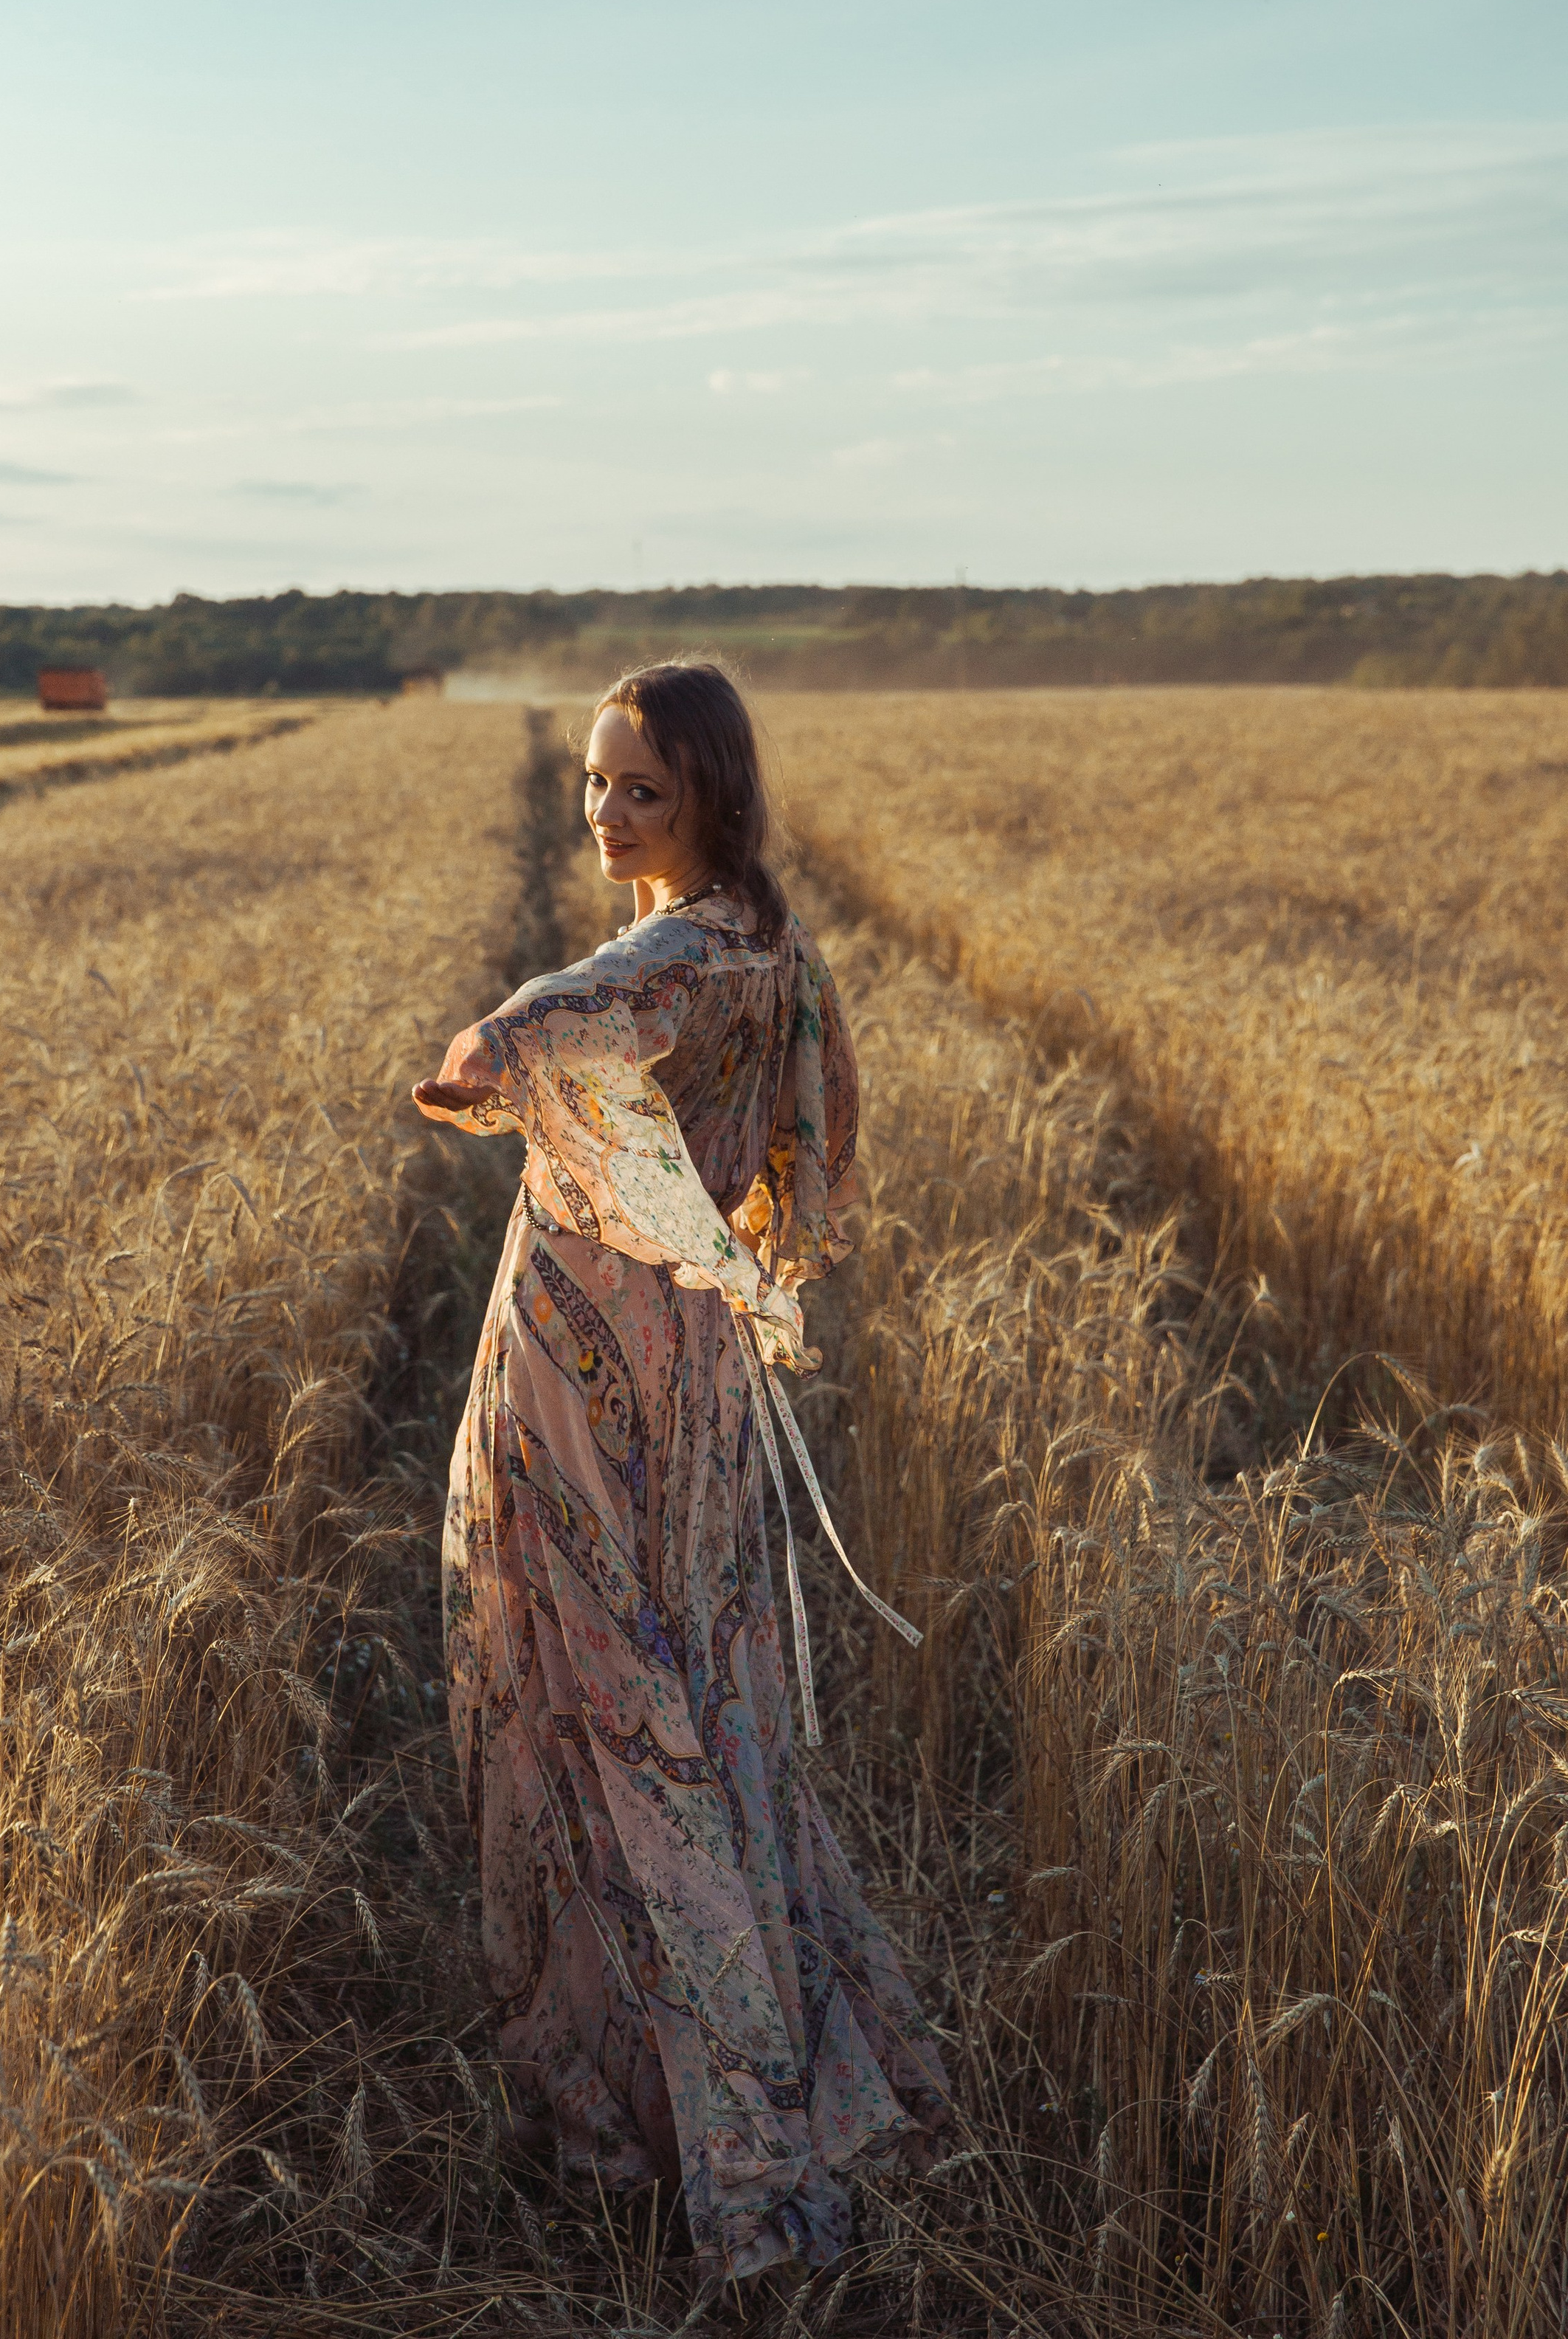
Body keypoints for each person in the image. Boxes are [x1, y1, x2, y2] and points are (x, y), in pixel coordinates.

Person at [412, 662, 950, 2290]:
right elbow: (821, 1142)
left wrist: (476, 1067)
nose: (601, 813)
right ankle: (717, 2079)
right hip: (693, 1372)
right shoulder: (771, 952)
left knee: (608, 1715)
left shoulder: (656, 961)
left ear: (711, 795)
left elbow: (503, 1046)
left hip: (582, 1374)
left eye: (638, 789)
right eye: (592, 782)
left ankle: (701, 2131)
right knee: (702, 1705)